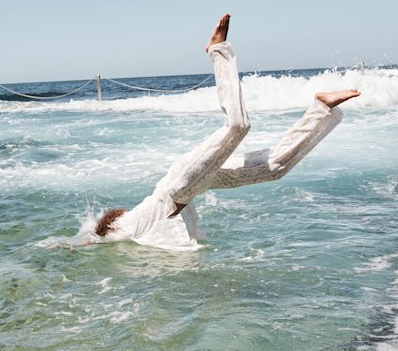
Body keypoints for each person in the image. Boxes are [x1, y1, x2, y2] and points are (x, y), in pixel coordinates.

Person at [94, 14, 360, 251]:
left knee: (237, 126)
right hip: (198, 185)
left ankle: (217, 49)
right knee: (276, 167)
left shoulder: (125, 226)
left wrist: (71, 244)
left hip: (180, 182)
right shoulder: (140, 226)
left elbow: (97, 238)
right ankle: (321, 107)